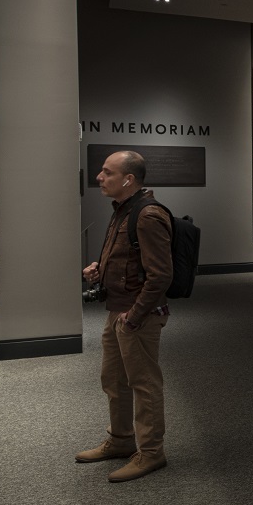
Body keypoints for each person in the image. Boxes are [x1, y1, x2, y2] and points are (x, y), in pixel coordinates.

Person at [78, 151, 173, 483]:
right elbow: (128, 259)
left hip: (137, 316)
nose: (99, 177)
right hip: (118, 310)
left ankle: (150, 453)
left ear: (128, 179)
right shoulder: (123, 211)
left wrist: (133, 316)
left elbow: (161, 275)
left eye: (107, 172)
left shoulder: (146, 215)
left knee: (143, 384)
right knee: (114, 381)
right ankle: (121, 441)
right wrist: (99, 270)